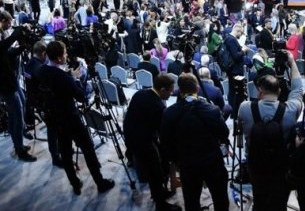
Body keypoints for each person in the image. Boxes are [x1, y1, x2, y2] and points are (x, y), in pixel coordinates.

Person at [37, 40, 115, 194]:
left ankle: (75, 183)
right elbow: (82, 97)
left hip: (55, 118)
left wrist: (69, 76)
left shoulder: (41, 71)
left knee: (65, 152)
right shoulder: (64, 77)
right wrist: (77, 78)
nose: (67, 55)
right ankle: (100, 182)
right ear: (59, 58)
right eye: (65, 53)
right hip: (70, 118)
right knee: (88, 150)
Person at [238, 52, 303, 211]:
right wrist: (291, 62)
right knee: (279, 201)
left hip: (255, 164)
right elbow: (298, 87)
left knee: (259, 198)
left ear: (259, 91)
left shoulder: (245, 108)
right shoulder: (291, 109)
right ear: (279, 92)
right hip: (281, 166)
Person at [160, 74, 229, 211]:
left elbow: (165, 142)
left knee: (191, 201)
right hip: (212, 162)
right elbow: (224, 133)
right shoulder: (212, 110)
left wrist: (177, 160)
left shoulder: (169, 113)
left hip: (187, 164)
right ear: (197, 89)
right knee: (220, 199)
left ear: (180, 91)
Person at [123, 74, 180, 211]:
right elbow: (162, 133)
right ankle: (160, 205)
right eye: (170, 91)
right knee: (155, 171)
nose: (171, 94)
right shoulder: (158, 106)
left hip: (131, 136)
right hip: (142, 141)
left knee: (153, 167)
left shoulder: (140, 93)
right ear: (162, 89)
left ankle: (159, 193)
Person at [0, 12, 34, 161]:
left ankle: (18, 143)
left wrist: (21, 48)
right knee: (17, 116)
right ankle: (19, 150)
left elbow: (6, 54)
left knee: (21, 105)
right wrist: (14, 36)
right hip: (5, 83)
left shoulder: (2, 35)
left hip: (11, 79)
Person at [225, 23, 250, 118]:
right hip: (235, 70)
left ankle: (234, 112)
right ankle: (234, 113)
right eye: (241, 33)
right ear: (237, 30)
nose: (241, 35)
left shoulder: (228, 38)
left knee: (232, 90)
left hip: (232, 69)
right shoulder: (231, 40)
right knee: (235, 92)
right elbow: (235, 56)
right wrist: (243, 50)